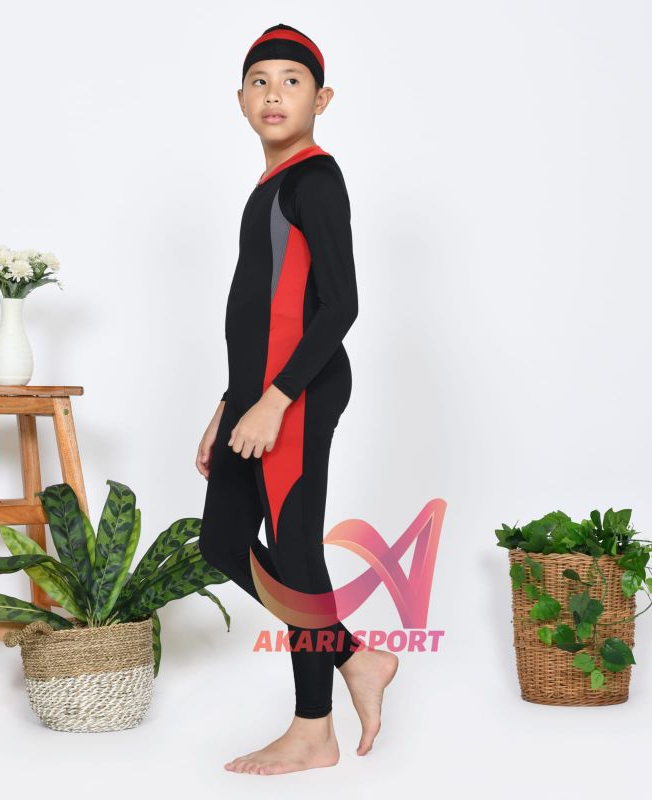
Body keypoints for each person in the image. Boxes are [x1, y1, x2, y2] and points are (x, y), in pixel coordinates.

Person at [196, 23, 398, 776]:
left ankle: (314, 730)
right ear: (240, 100)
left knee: (294, 551)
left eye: (291, 81)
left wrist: (276, 400)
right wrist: (229, 404)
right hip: (258, 396)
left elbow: (339, 306)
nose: (274, 93)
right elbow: (264, 314)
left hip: (300, 393)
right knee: (222, 542)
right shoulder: (268, 187)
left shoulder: (316, 179)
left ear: (323, 98)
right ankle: (355, 657)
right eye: (260, 81)